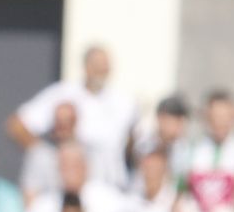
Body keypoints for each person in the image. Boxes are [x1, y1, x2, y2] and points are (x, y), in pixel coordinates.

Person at [8, 45, 138, 188]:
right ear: (86, 66)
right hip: (71, 187)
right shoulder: (63, 94)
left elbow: (134, 142)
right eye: (96, 65)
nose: (101, 71)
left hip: (114, 185)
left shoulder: (124, 102)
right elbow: (17, 125)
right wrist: (45, 156)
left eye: (104, 66)